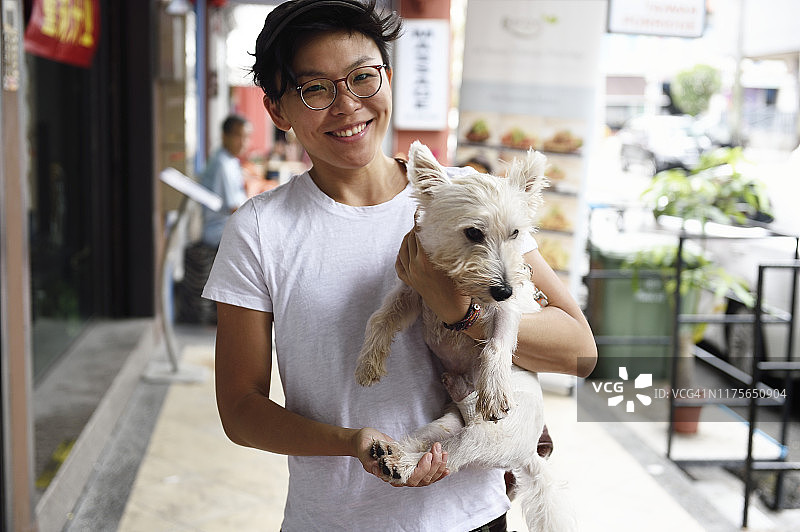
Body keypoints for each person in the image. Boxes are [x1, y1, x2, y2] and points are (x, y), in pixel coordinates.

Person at [202, 1, 597, 530]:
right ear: (277, 110)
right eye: (315, 89)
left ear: (387, 78)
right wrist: (351, 443)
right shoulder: (259, 228)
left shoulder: (467, 197)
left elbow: (579, 351)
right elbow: (241, 410)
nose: (348, 105)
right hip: (333, 520)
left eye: (363, 77)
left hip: (469, 517)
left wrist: (460, 312)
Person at [200, 114, 250, 248]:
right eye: (238, 136)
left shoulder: (229, 159)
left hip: (228, 226)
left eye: (246, 137)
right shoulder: (223, 164)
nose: (243, 142)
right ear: (224, 136)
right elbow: (236, 209)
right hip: (219, 231)